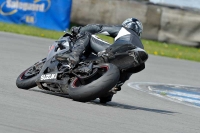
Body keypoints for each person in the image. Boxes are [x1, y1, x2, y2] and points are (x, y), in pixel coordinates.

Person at [55, 18, 148, 102]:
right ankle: (111, 89)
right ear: (139, 32)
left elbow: (98, 28)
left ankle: (74, 56)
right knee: (130, 64)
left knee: (88, 36)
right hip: (131, 61)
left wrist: (79, 30)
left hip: (116, 51)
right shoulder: (140, 46)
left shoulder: (123, 29)